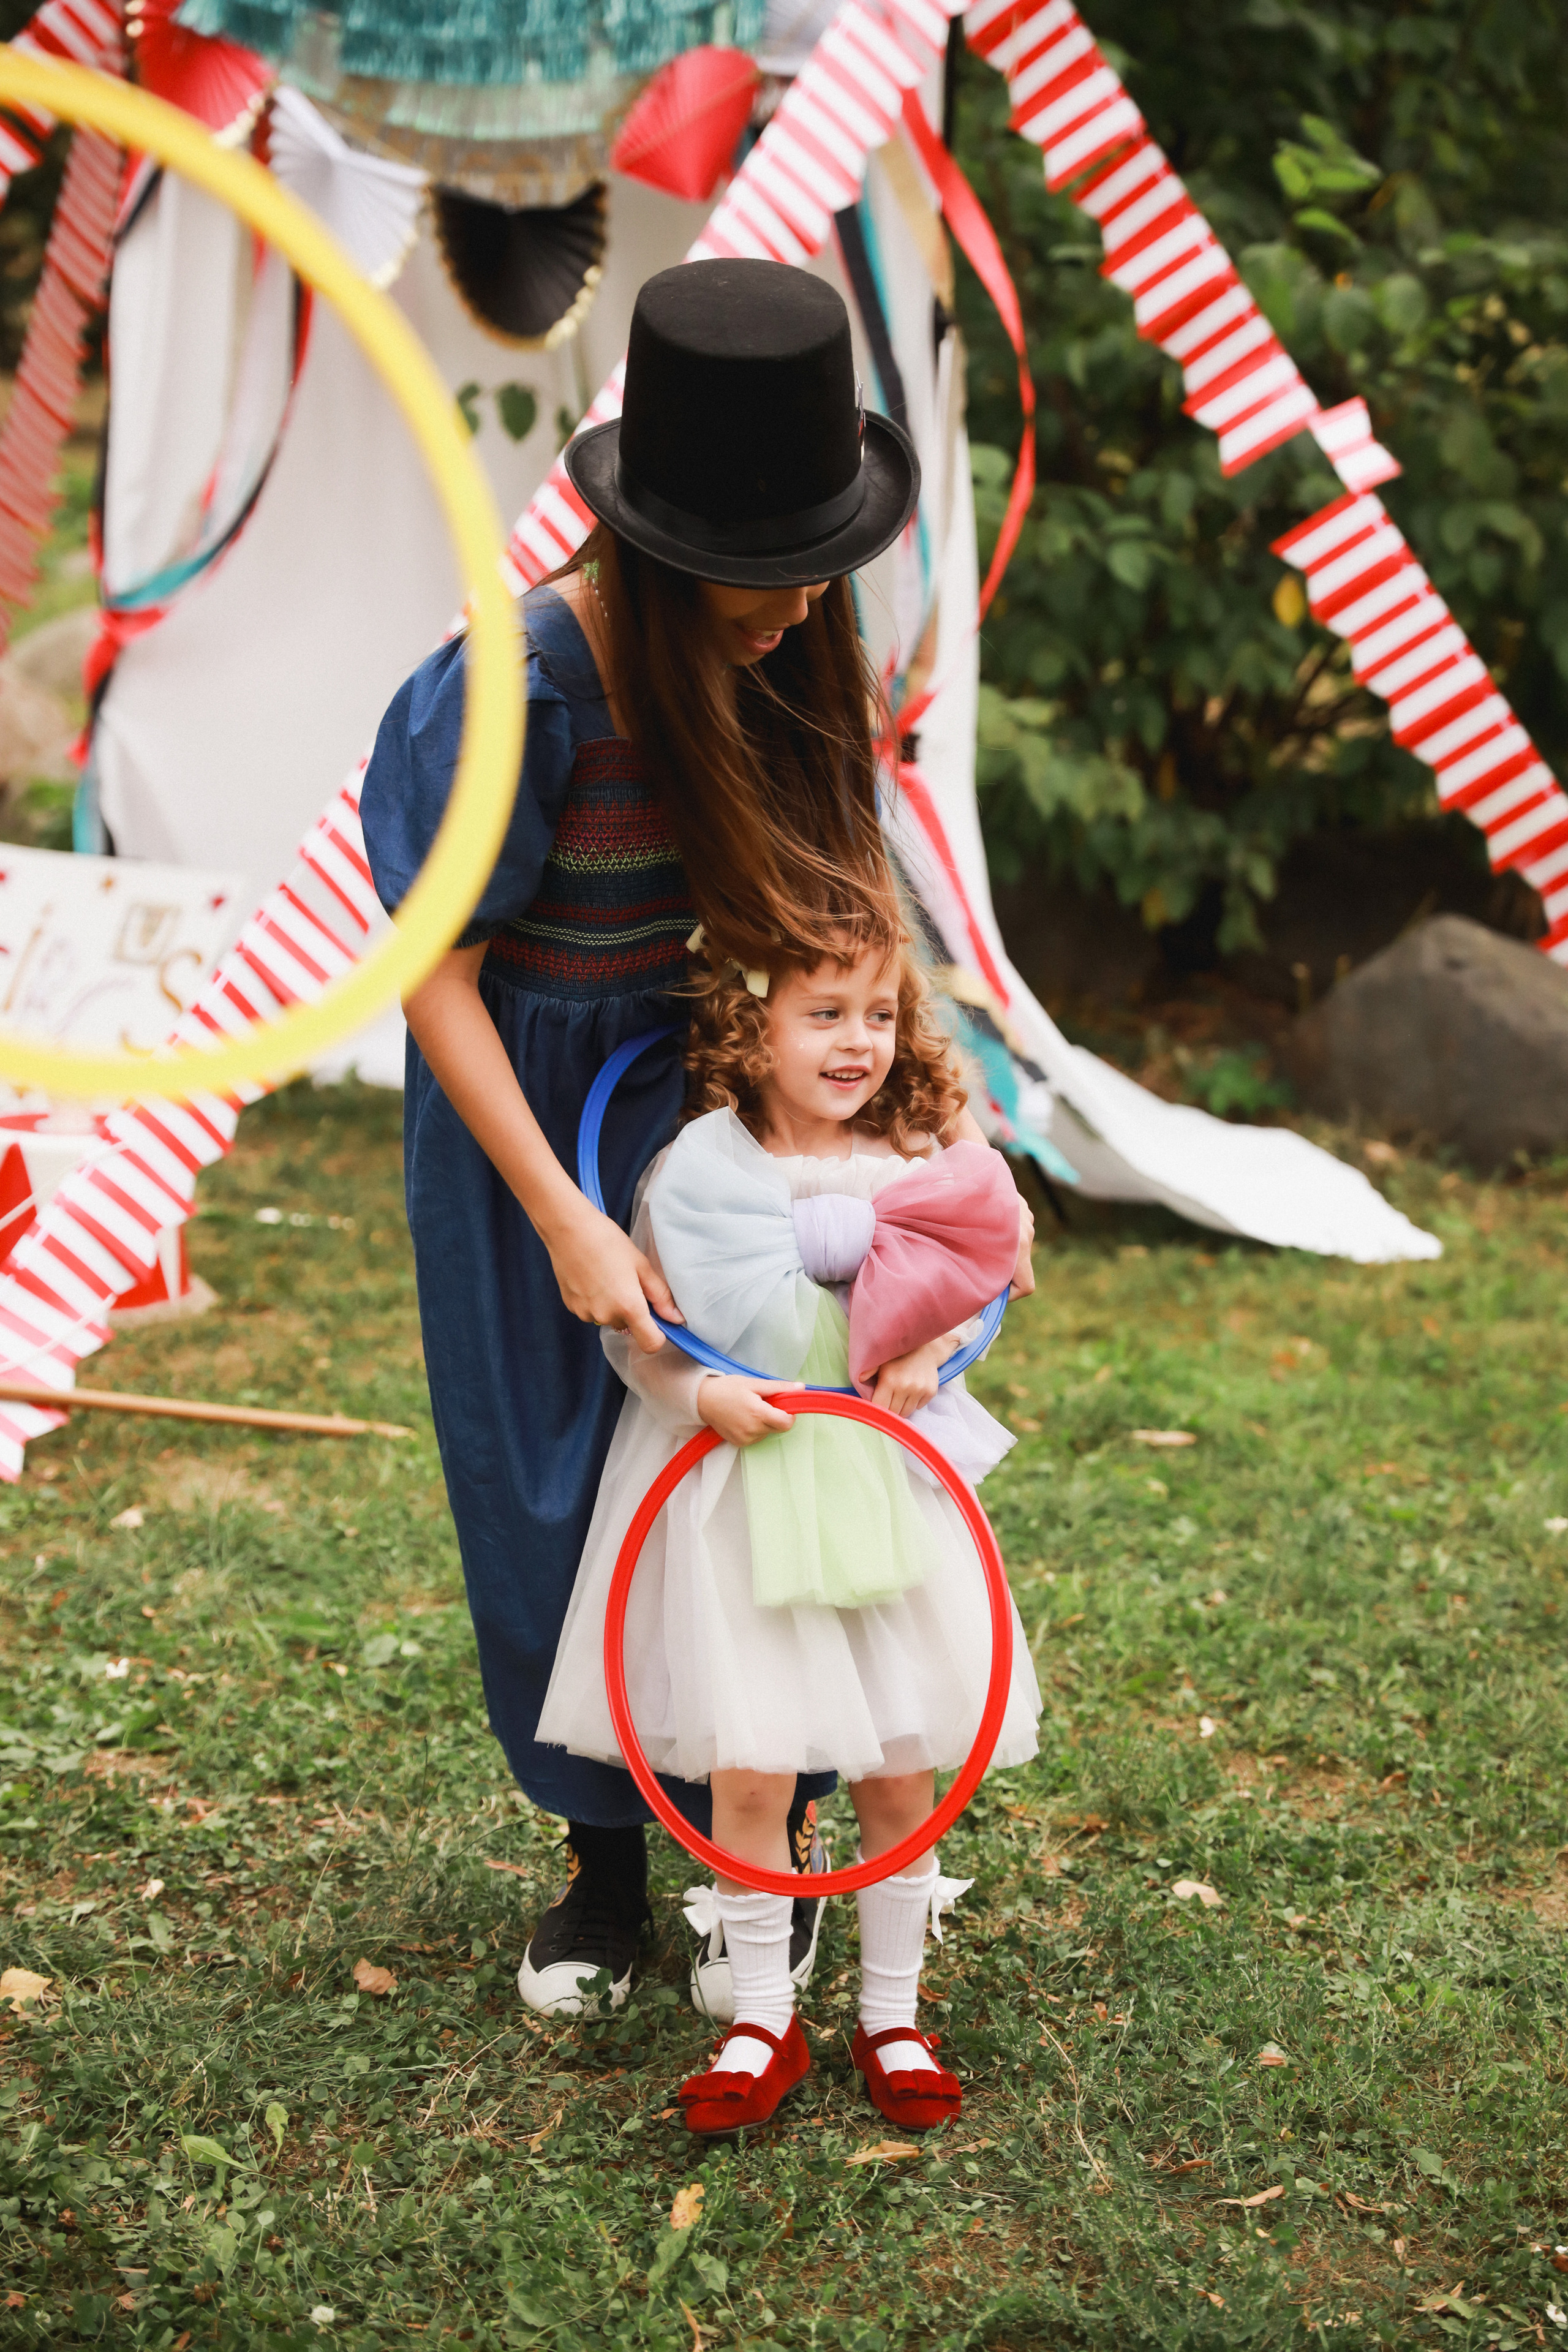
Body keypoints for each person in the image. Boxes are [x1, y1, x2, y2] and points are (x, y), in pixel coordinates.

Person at [360, 255, 986, 2016]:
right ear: (664, 544)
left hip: (698, 1093)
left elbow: (829, 932)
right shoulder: (519, 684)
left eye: (820, 561)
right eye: (771, 570)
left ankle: (751, 1831)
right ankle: (602, 1865)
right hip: (522, 1117)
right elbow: (433, 977)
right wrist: (566, 1216)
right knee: (549, 1478)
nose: (802, 603)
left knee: (743, 1466)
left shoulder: (781, 662)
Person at [536, 921, 1044, 2135]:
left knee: (899, 1764)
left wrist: (931, 1350)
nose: (855, 1042)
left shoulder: (920, 1154)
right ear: (750, 1026)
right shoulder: (695, 1167)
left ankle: (890, 2012)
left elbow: (979, 1274)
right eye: (824, 1015)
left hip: (882, 1487)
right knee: (751, 1763)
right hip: (734, 1495)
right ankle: (759, 2016)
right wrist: (698, 1393)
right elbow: (636, 1326)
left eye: (876, 1016)